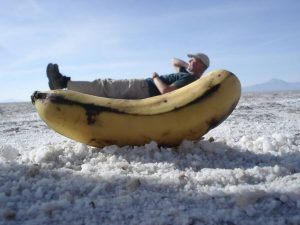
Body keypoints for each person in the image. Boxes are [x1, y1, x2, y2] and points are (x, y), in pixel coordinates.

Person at [46, 53, 210, 99]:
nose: (189, 60)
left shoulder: (190, 79)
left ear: (201, 64)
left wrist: (155, 77)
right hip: (144, 88)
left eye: (193, 59)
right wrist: (185, 65)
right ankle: (64, 84)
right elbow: (173, 61)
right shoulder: (187, 75)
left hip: (145, 87)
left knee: (105, 86)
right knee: (106, 88)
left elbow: (166, 92)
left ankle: (62, 83)